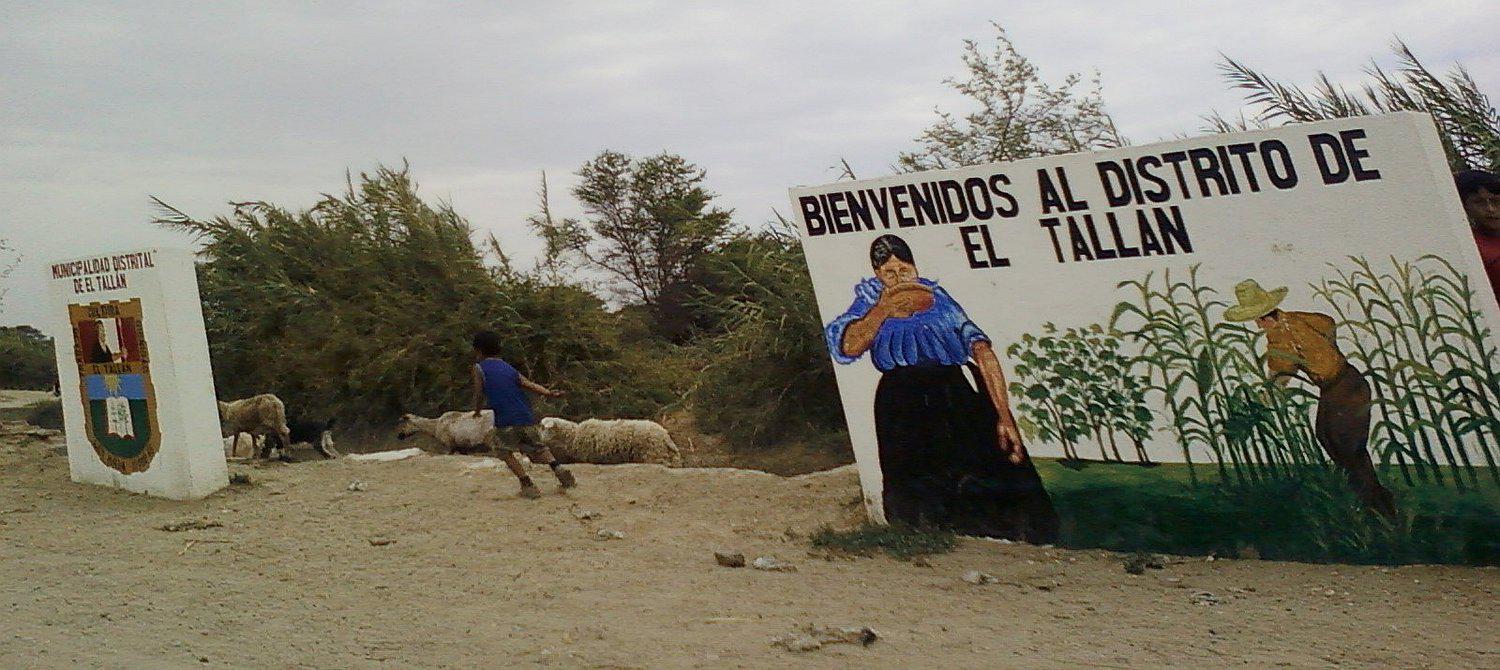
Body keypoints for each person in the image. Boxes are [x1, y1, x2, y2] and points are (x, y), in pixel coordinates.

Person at [824, 234, 1059, 542]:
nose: (898, 278)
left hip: (950, 389)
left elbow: (981, 349)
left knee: (985, 461)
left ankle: (1010, 532)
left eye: (904, 270)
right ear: (878, 274)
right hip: (901, 396)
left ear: (914, 267)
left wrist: (1003, 414)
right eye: (889, 273)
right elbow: (848, 346)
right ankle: (920, 536)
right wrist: (883, 310)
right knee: (913, 473)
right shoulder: (869, 300)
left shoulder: (939, 299)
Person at [1224, 279, 1396, 516]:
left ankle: (1375, 502)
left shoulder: (1278, 337)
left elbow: (1280, 378)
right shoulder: (1298, 318)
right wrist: (1327, 351)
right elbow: (1328, 323)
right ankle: (1371, 498)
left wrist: (1263, 402)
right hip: (1340, 385)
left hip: (1344, 386)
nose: (1257, 325)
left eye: (1258, 319)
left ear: (1266, 317)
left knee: (1343, 443)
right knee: (1327, 437)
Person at [470, 330, 575, 499]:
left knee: (503, 451)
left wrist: (476, 410)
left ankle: (527, 484)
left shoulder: (479, 368)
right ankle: (558, 468)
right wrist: (548, 393)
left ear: (478, 350)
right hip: (526, 415)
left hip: (505, 419)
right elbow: (528, 384)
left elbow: (478, 393)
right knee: (539, 448)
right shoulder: (508, 367)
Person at [1455, 169, 1500, 308]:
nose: (1490, 209)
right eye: (1479, 202)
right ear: (1465, 207)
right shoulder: (1468, 246)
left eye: (1495, 201)